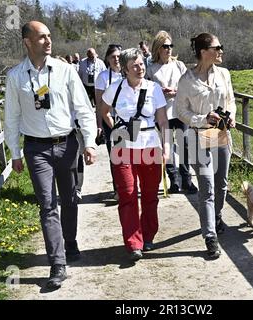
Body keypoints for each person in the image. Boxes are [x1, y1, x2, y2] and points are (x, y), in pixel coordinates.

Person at [4, 21, 97, 289]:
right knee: (47, 205)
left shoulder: (65, 71)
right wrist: (15, 152)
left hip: (66, 144)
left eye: (49, 36)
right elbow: (11, 117)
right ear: (27, 42)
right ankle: (57, 263)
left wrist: (89, 143)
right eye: (42, 37)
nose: (48, 41)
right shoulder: (15, 77)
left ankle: (70, 241)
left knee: (69, 199)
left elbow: (83, 109)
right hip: (36, 149)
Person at [100, 48, 169, 261]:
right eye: (135, 66)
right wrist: (116, 129)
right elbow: (102, 111)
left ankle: (148, 236)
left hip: (150, 147)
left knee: (150, 196)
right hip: (123, 148)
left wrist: (166, 147)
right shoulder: (114, 89)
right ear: (125, 69)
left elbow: (163, 121)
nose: (140, 69)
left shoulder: (153, 88)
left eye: (141, 64)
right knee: (128, 194)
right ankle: (133, 243)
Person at [175, 33, 236, 259]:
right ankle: (210, 236)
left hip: (220, 135)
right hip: (198, 136)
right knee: (207, 186)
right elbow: (180, 111)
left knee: (221, 184)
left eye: (221, 46)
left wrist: (231, 117)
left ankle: (217, 216)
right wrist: (203, 119)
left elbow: (230, 100)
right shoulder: (187, 80)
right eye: (217, 47)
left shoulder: (224, 74)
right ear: (203, 52)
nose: (221, 51)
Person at [147, 31, 197, 195]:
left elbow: (188, 85)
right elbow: (147, 91)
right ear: (158, 49)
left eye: (170, 46)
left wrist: (177, 91)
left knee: (184, 146)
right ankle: (173, 180)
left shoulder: (179, 65)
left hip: (180, 110)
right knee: (166, 146)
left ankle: (186, 180)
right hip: (161, 113)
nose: (168, 49)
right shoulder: (151, 69)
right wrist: (160, 91)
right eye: (165, 46)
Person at [94, 44, 123, 200]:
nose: (116, 59)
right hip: (109, 120)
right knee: (116, 156)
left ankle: (130, 187)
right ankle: (118, 188)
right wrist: (99, 126)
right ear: (107, 59)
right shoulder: (103, 77)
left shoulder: (128, 74)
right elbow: (99, 104)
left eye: (119, 56)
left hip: (128, 120)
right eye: (113, 57)